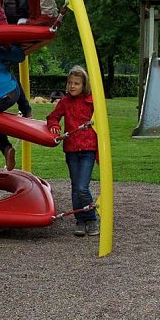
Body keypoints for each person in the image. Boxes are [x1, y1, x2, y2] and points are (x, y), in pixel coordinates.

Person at [45, 65, 100, 237]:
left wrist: (100, 151)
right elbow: (52, 117)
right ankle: (80, 220)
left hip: (88, 149)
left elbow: (102, 124)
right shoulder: (65, 102)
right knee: (76, 187)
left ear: (84, 85)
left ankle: (91, 218)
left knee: (82, 187)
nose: (72, 86)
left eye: (76, 83)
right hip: (72, 150)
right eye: (70, 83)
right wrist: (54, 125)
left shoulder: (92, 102)